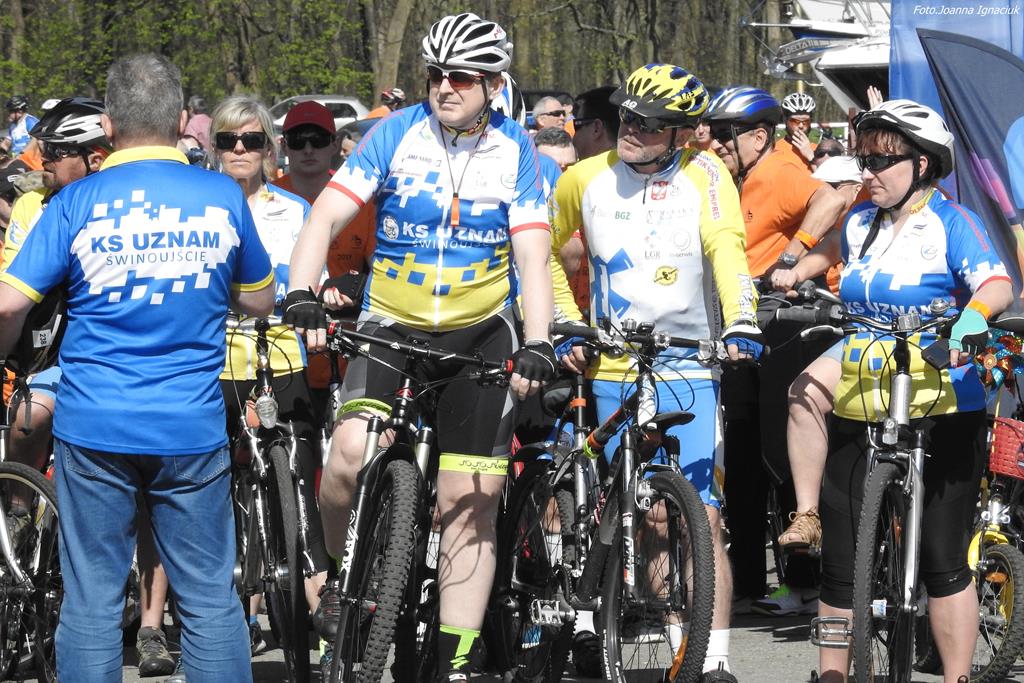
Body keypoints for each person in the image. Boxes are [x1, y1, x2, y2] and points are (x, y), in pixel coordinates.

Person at [283, 12, 556, 683]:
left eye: (460, 76)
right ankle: (342, 573)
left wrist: (539, 340)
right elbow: (326, 215)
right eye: (435, 74)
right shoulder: (395, 133)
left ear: (493, 84)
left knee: (471, 500)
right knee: (347, 456)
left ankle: (454, 658)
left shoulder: (516, 150)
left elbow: (532, 254)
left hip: (479, 330)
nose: (444, 87)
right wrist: (301, 291)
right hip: (392, 323)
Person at [0, 53, 271, 681]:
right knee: (208, 599)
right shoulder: (222, 196)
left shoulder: (76, 201)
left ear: (109, 126)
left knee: (91, 602)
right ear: (180, 122)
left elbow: (10, 303)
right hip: (189, 427)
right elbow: (260, 299)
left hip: (94, 423)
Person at [776, 99, 1013, 682]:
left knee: (942, 559)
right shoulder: (860, 220)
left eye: (883, 161)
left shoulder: (952, 222)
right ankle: (832, 674)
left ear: (922, 165)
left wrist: (973, 316)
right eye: (865, 159)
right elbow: (834, 250)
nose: (870, 172)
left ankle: (956, 677)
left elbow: (996, 282)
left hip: (942, 393)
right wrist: (795, 272)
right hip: (865, 386)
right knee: (840, 563)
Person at [551, 62, 763, 683]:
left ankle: (709, 658)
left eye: (650, 124)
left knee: (700, 516)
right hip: (613, 362)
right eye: (627, 118)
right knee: (636, 510)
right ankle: (630, 631)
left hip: (688, 360)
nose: (632, 130)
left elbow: (727, 249)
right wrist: (566, 323)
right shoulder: (583, 177)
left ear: (683, 133)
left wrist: (742, 321)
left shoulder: (707, 173)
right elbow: (540, 250)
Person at [704, 86, 846, 614]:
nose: (716, 142)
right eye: (714, 133)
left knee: (776, 451)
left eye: (726, 134)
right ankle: (747, 585)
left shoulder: (780, 168)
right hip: (741, 326)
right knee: (741, 456)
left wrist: (791, 257)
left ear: (759, 137)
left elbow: (831, 200)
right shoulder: (735, 176)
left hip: (780, 325)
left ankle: (804, 583)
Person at [210, 94, 331, 656]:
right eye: (228, 140)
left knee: (301, 477)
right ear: (214, 148)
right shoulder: (200, 204)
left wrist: (325, 305)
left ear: (268, 148)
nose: (240, 150)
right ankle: (228, 614)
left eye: (251, 140)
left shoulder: (294, 209)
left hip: (280, 356)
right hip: (213, 359)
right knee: (212, 484)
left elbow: (313, 282)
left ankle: (323, 607)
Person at [778, 91, 818, 167]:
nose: (801, 126)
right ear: (785, 120)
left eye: (805, 121)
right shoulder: (775, 150)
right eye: (795, 121)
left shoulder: (819, 151)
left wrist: (811, 156)